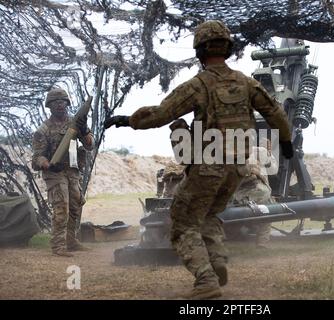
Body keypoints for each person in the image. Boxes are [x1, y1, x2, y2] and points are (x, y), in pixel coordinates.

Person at [105, 20, 293, 299]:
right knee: (208, 215)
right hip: (238, 168)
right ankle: (216, 262)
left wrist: (128, 121)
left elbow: (161, 114)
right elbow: (275, 112)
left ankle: (206, 280)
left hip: (209, 166)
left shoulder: (198, 85)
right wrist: (286, 142)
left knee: (182, 223)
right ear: (227, 48)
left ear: (200, 51)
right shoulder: (247, 82)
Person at [32, 88, 94, 257]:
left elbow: (89, 145)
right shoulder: (43, 130)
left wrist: (85, 130)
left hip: (72, 170)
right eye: (55, 102)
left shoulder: (75, 123)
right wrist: (48, 165)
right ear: (49, 106)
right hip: (54, 172)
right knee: (62, 208)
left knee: (75, 205)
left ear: (67, 104)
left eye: (63, 101)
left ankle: (71, 241)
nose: (60, 105)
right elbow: (37, 158)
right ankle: (58, 246)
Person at [227, 140, 277, 248]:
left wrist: (268, 155)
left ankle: (262, 243)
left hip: (259, 190)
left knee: (266, 212)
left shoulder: (259, 152)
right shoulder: (231, 155)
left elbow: (273, 169)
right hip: (240, 192)